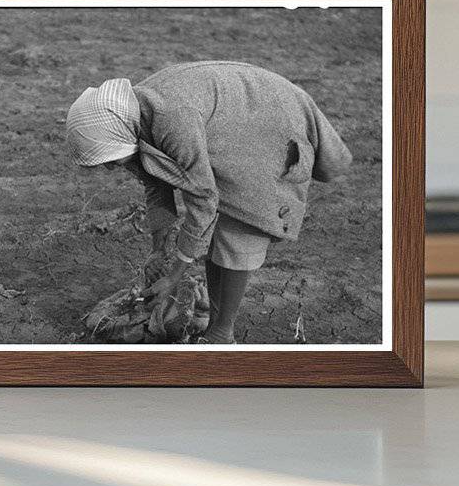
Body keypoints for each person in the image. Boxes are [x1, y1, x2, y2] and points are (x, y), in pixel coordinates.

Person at [65, 61, 353, 343]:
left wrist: (175, 275)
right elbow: (155, 182)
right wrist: (159, 250)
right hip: (240, 121)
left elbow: (203, 197)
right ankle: (215, 323)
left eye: (109, 160)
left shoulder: (171, 118)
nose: (110, 168)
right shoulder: (131, 115)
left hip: (269, 123)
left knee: (238, 231)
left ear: (118, 132)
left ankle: (221, 334)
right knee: (216, 240)